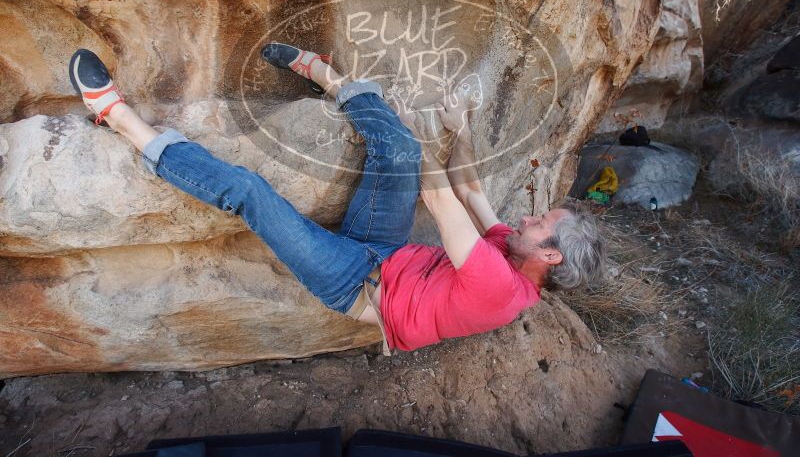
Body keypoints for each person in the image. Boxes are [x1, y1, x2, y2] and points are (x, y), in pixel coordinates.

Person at [68, 43, 604, 354]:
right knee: (395, 148)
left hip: (352, 284)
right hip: (386, 250)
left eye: (541, 223)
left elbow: (442, 202)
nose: (529, 218)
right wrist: (459, 130)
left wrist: (427, 134)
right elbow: (470, 189)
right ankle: (323, 72)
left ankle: (118, 116)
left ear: (551, 255)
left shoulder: (499, 288)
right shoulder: (515, 251)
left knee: (252, 192)